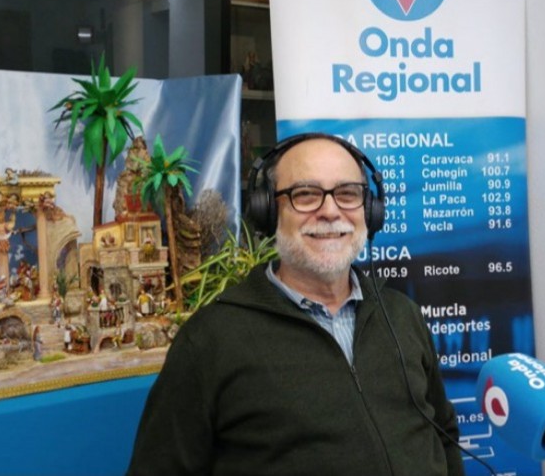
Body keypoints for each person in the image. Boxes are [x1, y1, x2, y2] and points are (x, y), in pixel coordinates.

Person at [126, 133, 463, 476]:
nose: (330, 211)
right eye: (306, 194)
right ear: (268, 211)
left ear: (371, 210)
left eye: (348, 194)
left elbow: (443, 434)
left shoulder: (402, 315)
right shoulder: (209, 341)